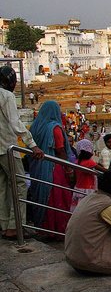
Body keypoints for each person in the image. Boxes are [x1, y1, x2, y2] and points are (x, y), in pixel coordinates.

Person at [0, 66, 44, 239]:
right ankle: (14, 227)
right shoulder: (7, 96)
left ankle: (4, 225)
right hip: (7, 148)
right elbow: (15, 123)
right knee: (19, 185)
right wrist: (32, 144)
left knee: (2, 187)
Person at [29, 100, 75, 238]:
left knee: (41, 197)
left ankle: (43, 228)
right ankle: (56, 231)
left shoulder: (35, 126)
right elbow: (60, 151)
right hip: (53, 168)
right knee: (57, 198)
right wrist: (69, 169)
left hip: (37, 167)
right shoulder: (55, 128)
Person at [70, 139, 106, 212]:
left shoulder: (77, 161)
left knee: (78, 210)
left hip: (78, 188)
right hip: (87, 190)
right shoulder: (89, 163)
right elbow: (104, 170)